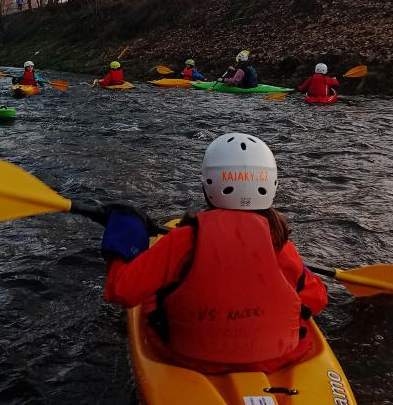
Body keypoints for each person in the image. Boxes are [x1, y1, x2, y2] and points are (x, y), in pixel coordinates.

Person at [99, 133, 328, 374]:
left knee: (154, 295)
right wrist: (296, 277)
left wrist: (125, 236)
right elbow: (317, 299)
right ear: (271, 183)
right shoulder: (281, 245)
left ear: (207, 184)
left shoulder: (182, 240)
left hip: (190, 358)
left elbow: (121, 290)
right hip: (275, 358)